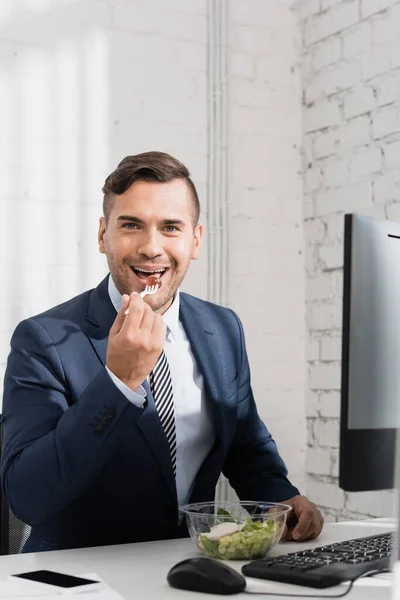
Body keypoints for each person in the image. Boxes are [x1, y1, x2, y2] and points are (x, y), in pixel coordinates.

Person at [1, 151, 323, 553]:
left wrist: (282, 496)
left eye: (171, 227)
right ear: (103, 236)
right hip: (80, 576)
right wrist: (119, 383)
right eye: (131, 225)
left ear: (196, 240)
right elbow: (28, 496)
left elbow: (245, 443)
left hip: (189, 564)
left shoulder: (223, 328)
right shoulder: (43, 340)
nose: (151, 247)